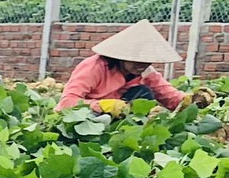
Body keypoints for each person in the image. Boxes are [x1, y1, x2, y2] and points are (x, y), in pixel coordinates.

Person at [57, 20, 188, 113]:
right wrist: (102, 105)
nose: (142, 65)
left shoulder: (145, 71)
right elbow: (67, 102)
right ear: (122, 56)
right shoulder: (94, 67)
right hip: (90, 117)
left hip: (121, 116)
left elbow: (167, 94)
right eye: (137, 60)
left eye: (147, 60)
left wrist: (190, 100)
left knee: (144, 92)